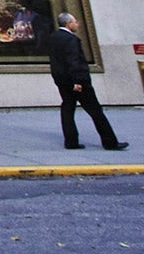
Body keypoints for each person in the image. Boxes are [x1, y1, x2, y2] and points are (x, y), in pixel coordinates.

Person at [48, 12, 126, 151]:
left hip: (62, 81)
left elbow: (56, 62)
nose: (77, 24)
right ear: (68, 24)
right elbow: (74, 61)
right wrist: (78, 81)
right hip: (78, 82)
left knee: (68, 109)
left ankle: (71, 141)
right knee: (95, 111)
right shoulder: (71, 40)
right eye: (75, 22)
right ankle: (110, 142)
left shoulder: (54, 38)